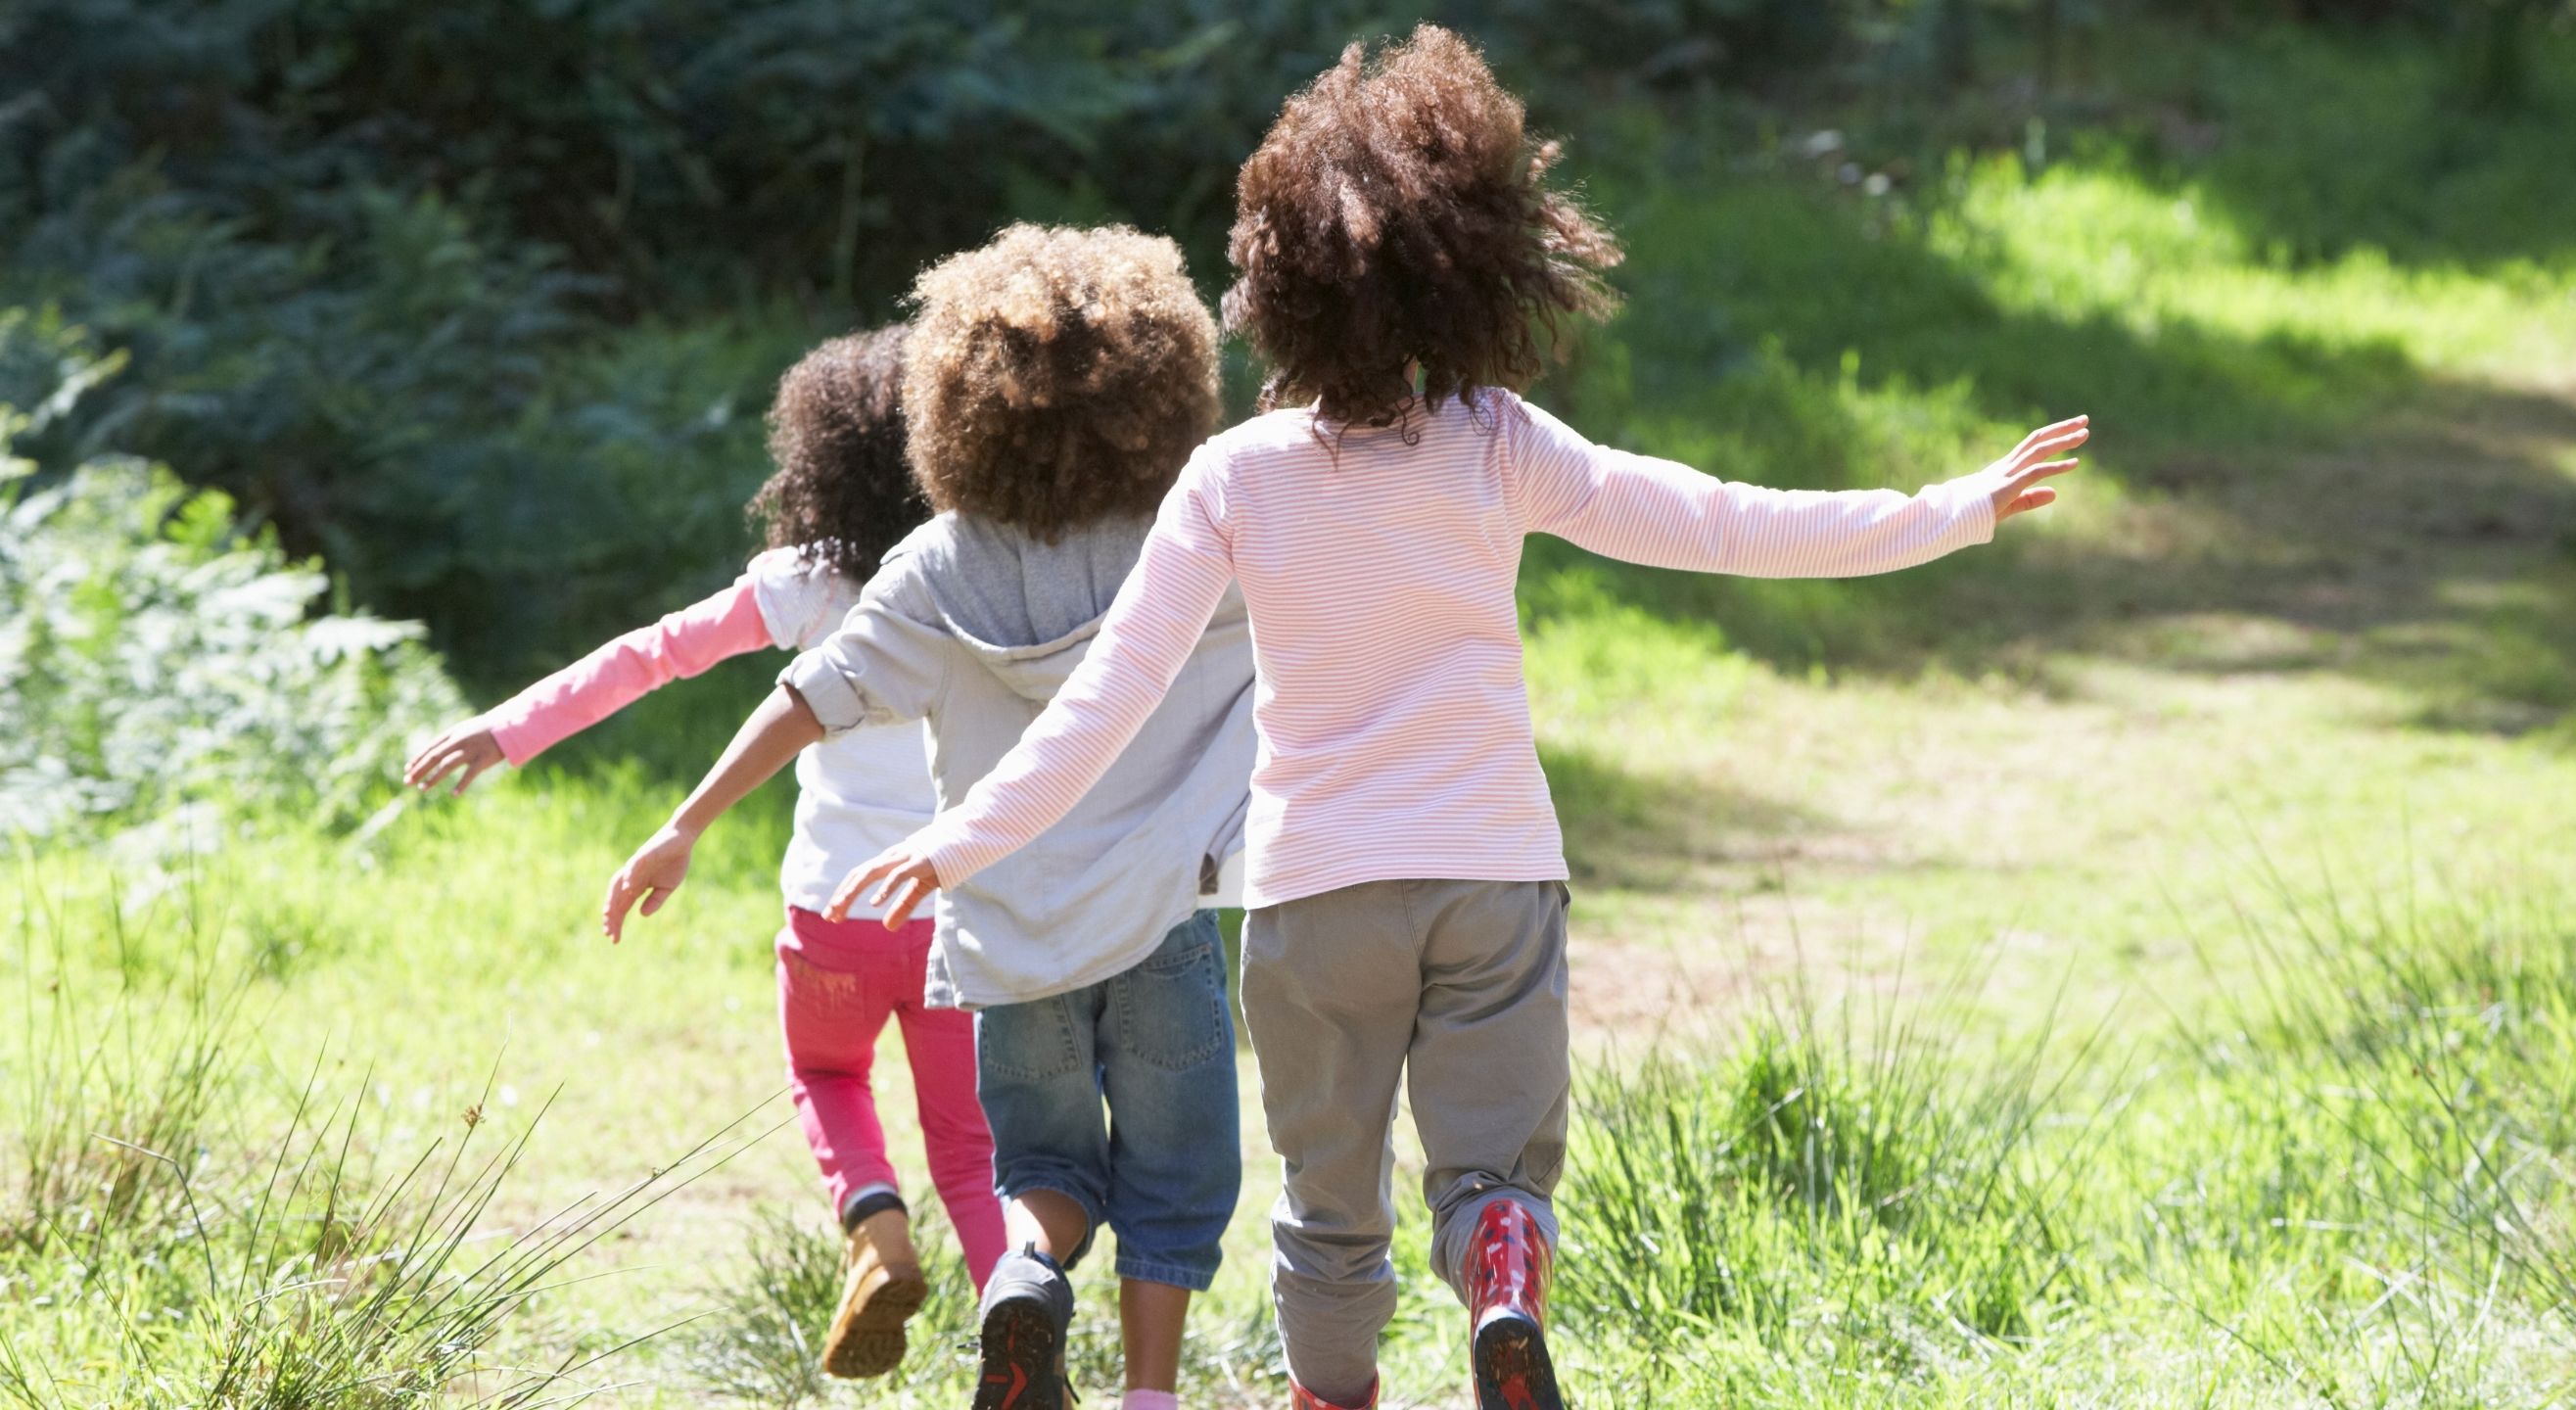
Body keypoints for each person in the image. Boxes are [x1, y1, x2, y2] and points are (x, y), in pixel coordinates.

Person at [831, 27, 2089, 1410]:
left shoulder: (1233, 480)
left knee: (1328, 1213)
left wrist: (961, 838)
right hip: (1493, 876)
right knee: (1491, 1169)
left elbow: (1102, 702)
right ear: (1480, 269)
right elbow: (1728, 522)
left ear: (1275, 283)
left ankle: (1337, 1394)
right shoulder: (1501, 444)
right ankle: (1498, 1263)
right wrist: (1949, 511)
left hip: (1316, 900)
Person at [601, 224, 1253, 1410]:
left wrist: (685, 822)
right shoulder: (1194, 540)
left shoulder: (934, 569)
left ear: (957, 403)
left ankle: (1022, 1275)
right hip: (1160, 920)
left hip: (1005, 937)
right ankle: (1149, 1394)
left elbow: (806, 697)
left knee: (1046, 1167)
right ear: (1160, 390)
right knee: (1175, 1177)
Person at [403, 327, 1006, 1380]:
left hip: (834, 913)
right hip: (958, 912)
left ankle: (873, 1227)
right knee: (970, 1148)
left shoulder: (811, 583)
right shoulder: (987, 572)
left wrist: (511, 727)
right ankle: (1019, 1343)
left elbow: (652, 655)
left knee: (825, 1068)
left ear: (824, 458)